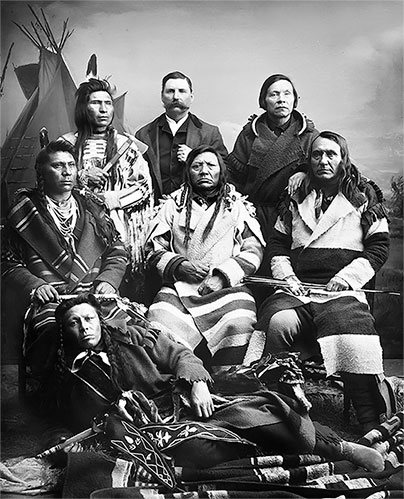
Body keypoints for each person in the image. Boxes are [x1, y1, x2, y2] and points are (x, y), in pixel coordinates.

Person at [47, 293, 384, 473]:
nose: (84, 327)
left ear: (100, 319)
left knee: (256, 413)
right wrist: (110, 417)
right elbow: (73, 420)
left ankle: (340, 449)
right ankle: (287, 457)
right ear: (66, 332)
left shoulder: (133, 338)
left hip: (182, 401)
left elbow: (181, 355)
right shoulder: (71, 376)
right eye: (74, 323)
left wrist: (197, 383)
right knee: (201, 449)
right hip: (149, 432)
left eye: (88, 318)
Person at [256, 130, 394, 433]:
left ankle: (369, 419)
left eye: (331, 154)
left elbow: (379, 247)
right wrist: (287, 277)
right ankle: (279, 407)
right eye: (317, 154)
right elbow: (278, 244)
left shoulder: (363, 195)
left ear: (343, 158)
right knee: (277, 322)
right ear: (309, 160)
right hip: (297, 288)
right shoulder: (295, 196)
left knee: (351, 333)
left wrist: (346, 278)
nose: (323, 160)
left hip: (342, 290)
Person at [1, 140, 128, 382]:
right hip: (52, 299)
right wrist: (35, 286)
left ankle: (118, 389)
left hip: (94, 293)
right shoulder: (25, 212)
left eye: (71, 165)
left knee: (124, 328)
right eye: (58, 166)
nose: (67, 172)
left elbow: (117, 251)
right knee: (51, 331)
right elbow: (7, 263)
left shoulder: (92, 207)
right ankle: (58, 395)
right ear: (42, 172)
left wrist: (109, 280)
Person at [145, 145, 266, 368]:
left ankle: (227, 379)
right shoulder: (173, 204)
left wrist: (223, 276)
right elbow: (153, 249)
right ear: (188, 171)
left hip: (228, 288)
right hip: (180, 287)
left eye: (211, 165)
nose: (204, 171)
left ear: (221, 171)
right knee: (159, 321)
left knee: (240, 321)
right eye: (197, 166)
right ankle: (181, 378)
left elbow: (253, 249)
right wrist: (179, 266)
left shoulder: (236, 205)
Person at [60, 78, 153, 281]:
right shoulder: (66, 145)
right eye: (96, 103)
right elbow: (49, 184)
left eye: (108, 103)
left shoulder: (126, 146)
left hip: (117, 227)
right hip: (75, 226)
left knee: (114, 278)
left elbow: (144, 188)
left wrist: (108, 198)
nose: (103, 109)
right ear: (83, 108)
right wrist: (81, 176)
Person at [227, 73, 318, 240]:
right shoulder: (249, 135)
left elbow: (327, 171)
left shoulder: (309, 135)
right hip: (253, 215)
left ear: (294, 100)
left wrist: (305, 171)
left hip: (294, 218)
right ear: (264, 101)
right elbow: (233, 178)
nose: (281, 99)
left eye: (287, 94)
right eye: (274, 94)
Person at [136, 71, 228, 202]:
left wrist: (195, 158)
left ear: (191, 97)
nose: (176, 96)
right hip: (153, 207)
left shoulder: (210, 133)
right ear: (162, 96)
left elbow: (225, 171)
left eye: (182, 91)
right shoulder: (143, 135)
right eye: (170, 91)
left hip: (197, 208)